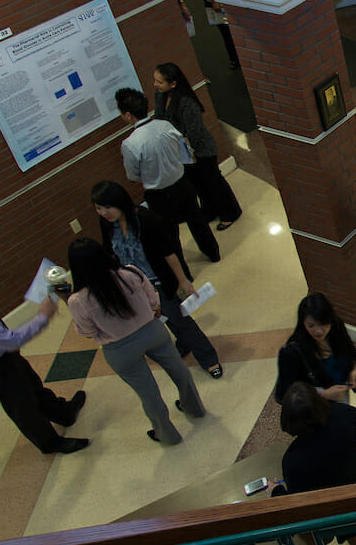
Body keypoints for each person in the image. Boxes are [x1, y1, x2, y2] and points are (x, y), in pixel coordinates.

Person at [66, 238, 207, 445]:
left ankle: (167, 434)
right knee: (180, 371)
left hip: (120, 350)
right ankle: (194, 408)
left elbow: (87, 332)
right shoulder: (130, 273)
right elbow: (154, 301)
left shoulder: (77, 300)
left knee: (149, 394)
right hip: (152, 332)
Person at [90, 181, 223, 379]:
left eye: (107, 207)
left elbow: (169, 254)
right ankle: (183, 343)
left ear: (119, 202)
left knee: (181, 319)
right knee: (163, 319)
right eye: (98, 208)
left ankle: (208, 358)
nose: (103, 213)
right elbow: (109, 251)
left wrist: (183, 281)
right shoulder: (107, 224)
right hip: (132, 287)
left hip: (158, 282)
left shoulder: (146, 220)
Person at [0, 252, 88, 454]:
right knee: (23, 407)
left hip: (2, 356)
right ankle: (50, 443)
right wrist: (43, 316)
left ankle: (64, 414)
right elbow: (12, 341)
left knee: (32, 386)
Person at [277, 382, 356, 545]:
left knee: (350, 524)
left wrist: (275, 492)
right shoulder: (341, 413)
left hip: (336, 505)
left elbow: (296, 500)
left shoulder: (293, 459)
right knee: (355, 521)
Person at [116, 88, 220, 262]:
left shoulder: (129, 144)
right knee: (198, 222)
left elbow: (133, 175)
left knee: (170, 235)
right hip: (182, 183)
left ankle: (184, 274)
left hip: (158, 195)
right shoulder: (165, 125)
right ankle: (213, 253)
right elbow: (183, 152)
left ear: (127, 115)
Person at [154, 62, 242, 232]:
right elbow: (160, 120)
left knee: (214, 182)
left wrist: (176, 143)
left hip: (200, 150)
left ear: (173, 83)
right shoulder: (162, 96)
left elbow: (193, 132)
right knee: (199, 185)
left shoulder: (187, 102)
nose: (155, 85)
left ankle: (229, 212)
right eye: (155, 81)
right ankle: (210, 210)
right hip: (183, 151)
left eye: (159, 82)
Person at [274, 292, 356, 404]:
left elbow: (349, 351)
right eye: (311, 325)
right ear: (303, 323)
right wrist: (323, 394)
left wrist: (354, 368)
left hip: (341, 393)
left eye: (323, 324)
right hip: (317, 405)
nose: (319, 331)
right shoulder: (292, 351)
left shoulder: (336, 326)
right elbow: (289, 391)